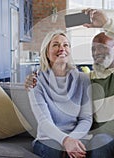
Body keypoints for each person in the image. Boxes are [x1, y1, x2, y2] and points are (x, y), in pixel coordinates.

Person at [26, 9, 114, 158]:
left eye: (101, 47)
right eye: (93, 48)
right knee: (99, 144)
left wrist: (107, 23)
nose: (96, 52)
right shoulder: (88, 79)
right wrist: (32, 79)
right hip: (104, 135)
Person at [28, 30, 93, 158]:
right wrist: (64, 141)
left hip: (77, 136)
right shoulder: (36, 81)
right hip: (48, 140)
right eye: (55, 45)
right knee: (54, 149)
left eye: (65, 45)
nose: (61, 48)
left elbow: (86, 118)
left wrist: (71, 141)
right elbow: (44, 121)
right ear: (46, 52)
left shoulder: (83, 79)